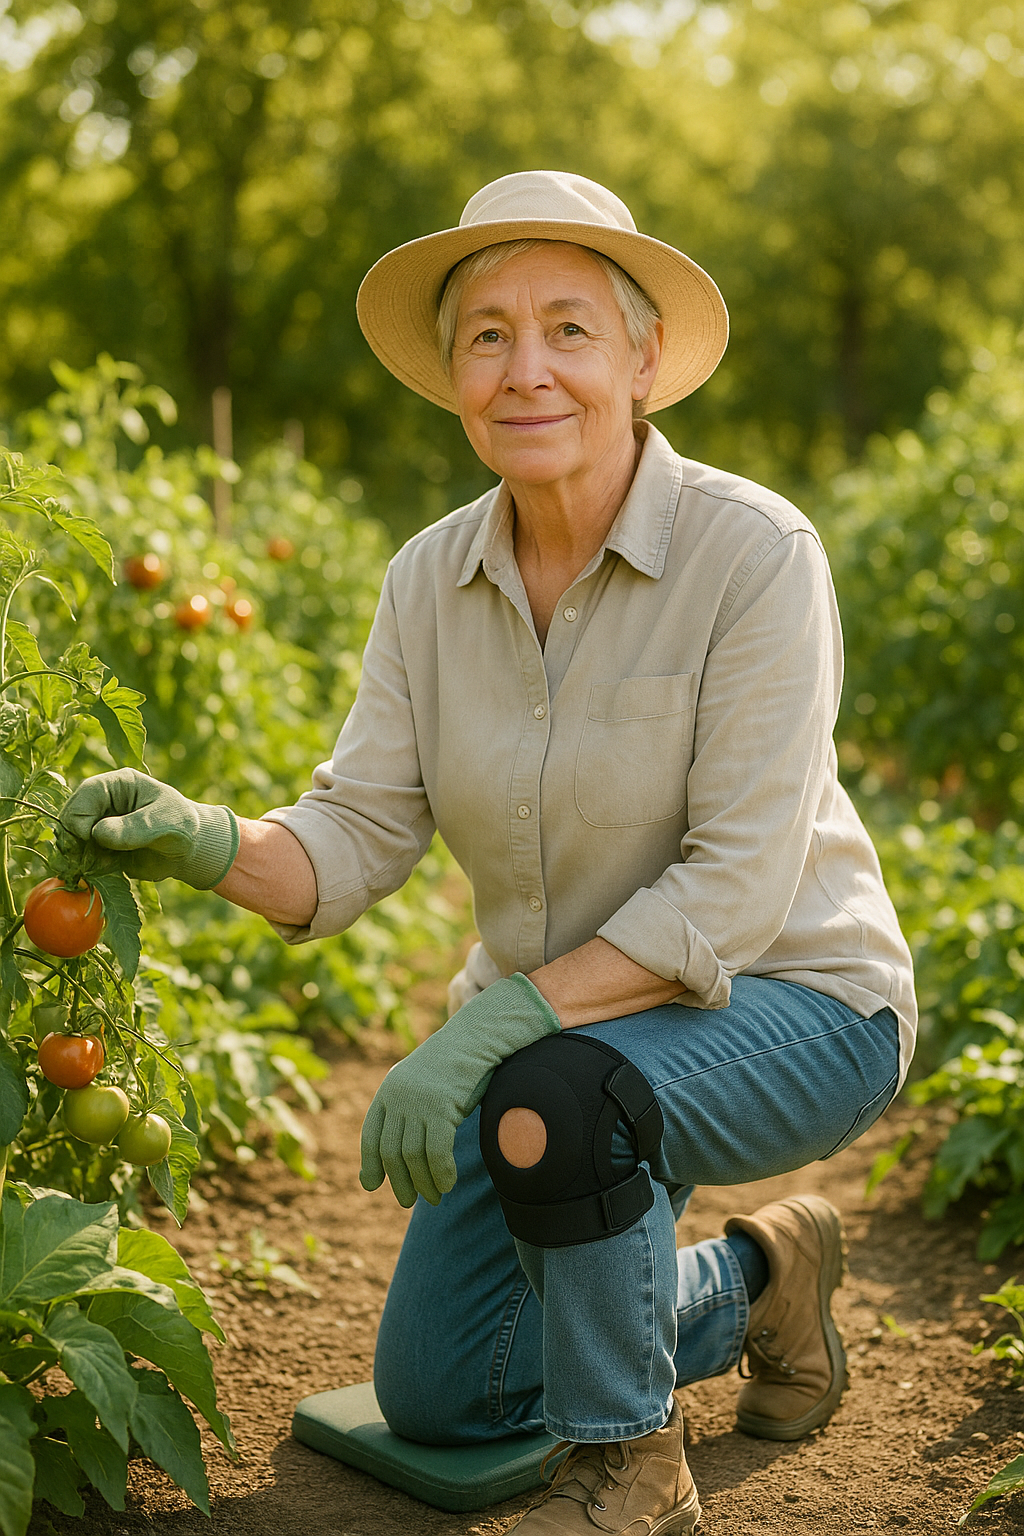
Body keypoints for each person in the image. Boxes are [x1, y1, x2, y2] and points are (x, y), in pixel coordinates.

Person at [62, 171, 916, 1535]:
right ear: (455, 373)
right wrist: (208, 837)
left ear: (643, 361)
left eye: (570, 330)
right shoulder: (428, 580)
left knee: (563, 1102)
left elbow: (741, 886)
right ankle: (762, 1277)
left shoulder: (754, 555)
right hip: (558, 1050)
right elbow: (354, 833)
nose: (528, 370)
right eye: (488, 335)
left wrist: (498, 1023)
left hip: (796, 1008)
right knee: (450, 1392)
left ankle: (629, 1470)